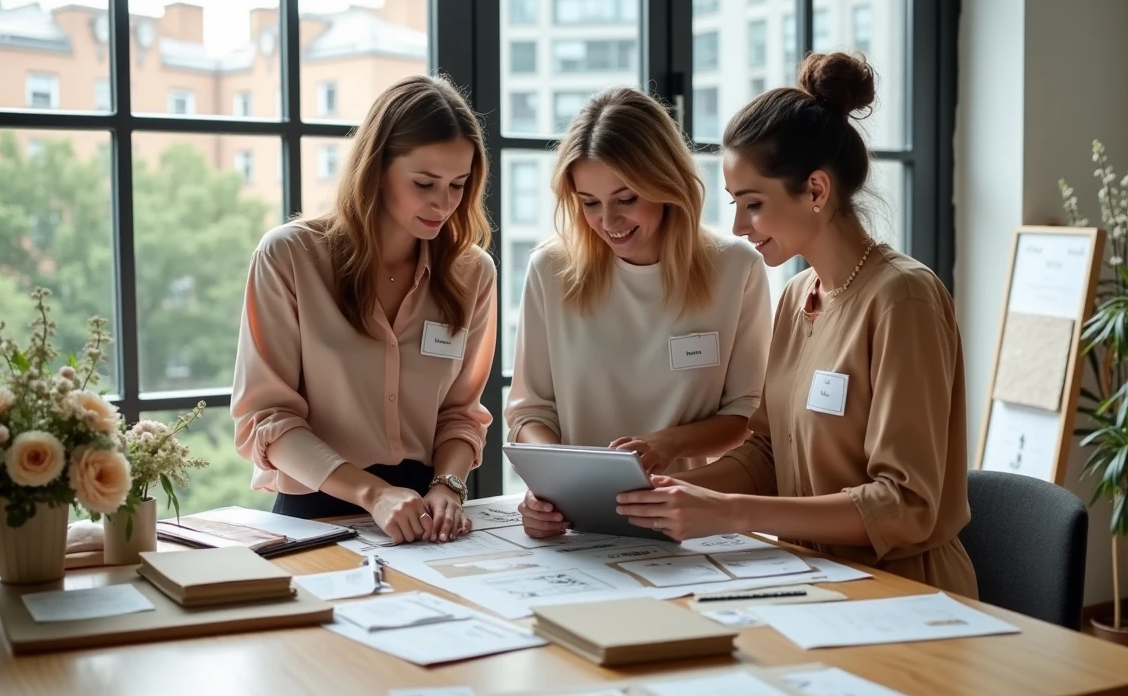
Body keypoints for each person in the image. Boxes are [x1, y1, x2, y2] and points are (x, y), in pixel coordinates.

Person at [614, 53, 978, 597]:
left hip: (901, 591)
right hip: (810, 579)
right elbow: (768, 454)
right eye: (736, 204)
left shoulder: (904, 299)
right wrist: (665, 496)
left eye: (753, 204)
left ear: (816, 190)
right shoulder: (794, 297)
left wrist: (731, 513)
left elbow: (905, 505)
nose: (738, 226)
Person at [231, 75, 497, 545]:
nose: (444, 203)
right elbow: (266, 422)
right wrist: (373, 494)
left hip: (428, 516)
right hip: (314, 513)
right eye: (424, 183)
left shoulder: (472, 273)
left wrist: (448, 487)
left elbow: (460, 414)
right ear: (376, 169)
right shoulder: (290, 257)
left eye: (458, 184)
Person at [508, 87, 772, 539]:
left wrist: (665, 445)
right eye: (589, 202)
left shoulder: (736, 268)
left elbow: (747, 414)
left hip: (692, 519)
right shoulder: (551, 269)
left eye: (626, 198)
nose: (608, 221)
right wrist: (549, 487)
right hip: (581, 524)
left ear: (665, 184)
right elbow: (530, 410)